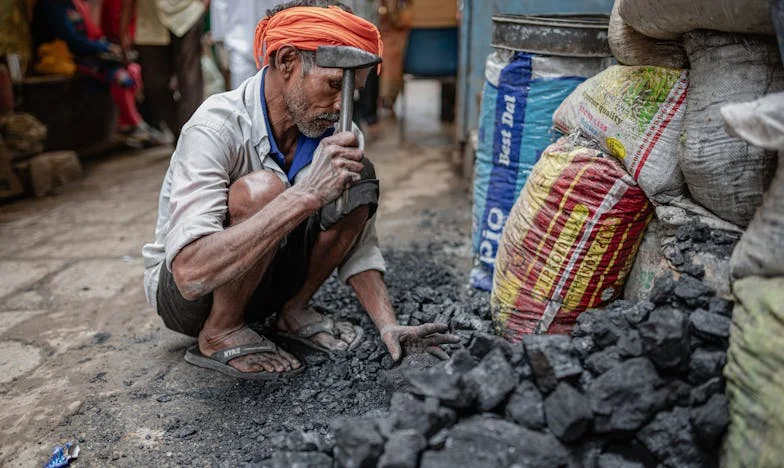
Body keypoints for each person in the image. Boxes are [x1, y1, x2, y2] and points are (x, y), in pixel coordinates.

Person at [142, 0, 458, 379]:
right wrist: (305, 195)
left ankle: (292, 312)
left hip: (265, 279)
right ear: (287, 61)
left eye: (352, 92)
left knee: (358, 176)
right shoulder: (215, 127)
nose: (343, 105)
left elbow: (358, 242)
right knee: (264, 190)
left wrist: (387, 325)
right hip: (193, 298)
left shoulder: (337, 129)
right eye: (331, 85)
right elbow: (190, 276)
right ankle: (221, 331)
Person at [31, 0, 162, 147]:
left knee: (132, 70)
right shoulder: (51, 7)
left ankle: (131, 122)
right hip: (67, 60)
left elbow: (90, 33)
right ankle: (131, 124)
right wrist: (104, 47)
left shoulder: (72, 5)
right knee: (120, 76)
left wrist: (106, 47)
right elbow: (71, 40)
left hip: (88, 55)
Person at [133, 0, 206, 139]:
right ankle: (179, 133)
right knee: (154, 83)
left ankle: (192, 137)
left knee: (189, 81)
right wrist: (124, 27)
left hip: (187, 12)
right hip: (149, 21)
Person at [210, 0, 286, 89]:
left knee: (274, 93)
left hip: (275, 42)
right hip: (239, 44)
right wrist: (220, 37)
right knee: (242, 93)